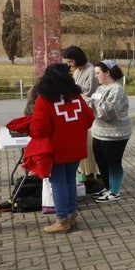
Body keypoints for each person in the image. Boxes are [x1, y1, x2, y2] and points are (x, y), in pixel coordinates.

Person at [28, 63, 94, 233]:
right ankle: (72, 216)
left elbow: (39, 128)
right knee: (70, 181)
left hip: (57, 148)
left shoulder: (44, 100)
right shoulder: (76, 97)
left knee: (58, 183)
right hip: (77, 146)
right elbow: (89, 119)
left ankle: (62, 219)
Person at [90, 60, 131, 203]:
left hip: (115, 134)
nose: (96, 76)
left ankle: (114, 191)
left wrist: (91, 102)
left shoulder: (117, 90)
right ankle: (107, 187)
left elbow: (106, 112)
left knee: (113, 162)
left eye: (98, 73)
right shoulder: (100, 88)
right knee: (101, 161)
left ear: (107, 72)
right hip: (98, 132)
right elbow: (93, 106)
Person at [63, 46, 100, 192]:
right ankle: (83, 171)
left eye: (71, 61)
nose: (69, 64)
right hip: (78, 112)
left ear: (77, 59)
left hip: (89, 112)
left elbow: (90, 94)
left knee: (89, 146)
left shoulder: (90, 71)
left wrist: (76, 97)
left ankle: (92, 174)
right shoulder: (77, 71)